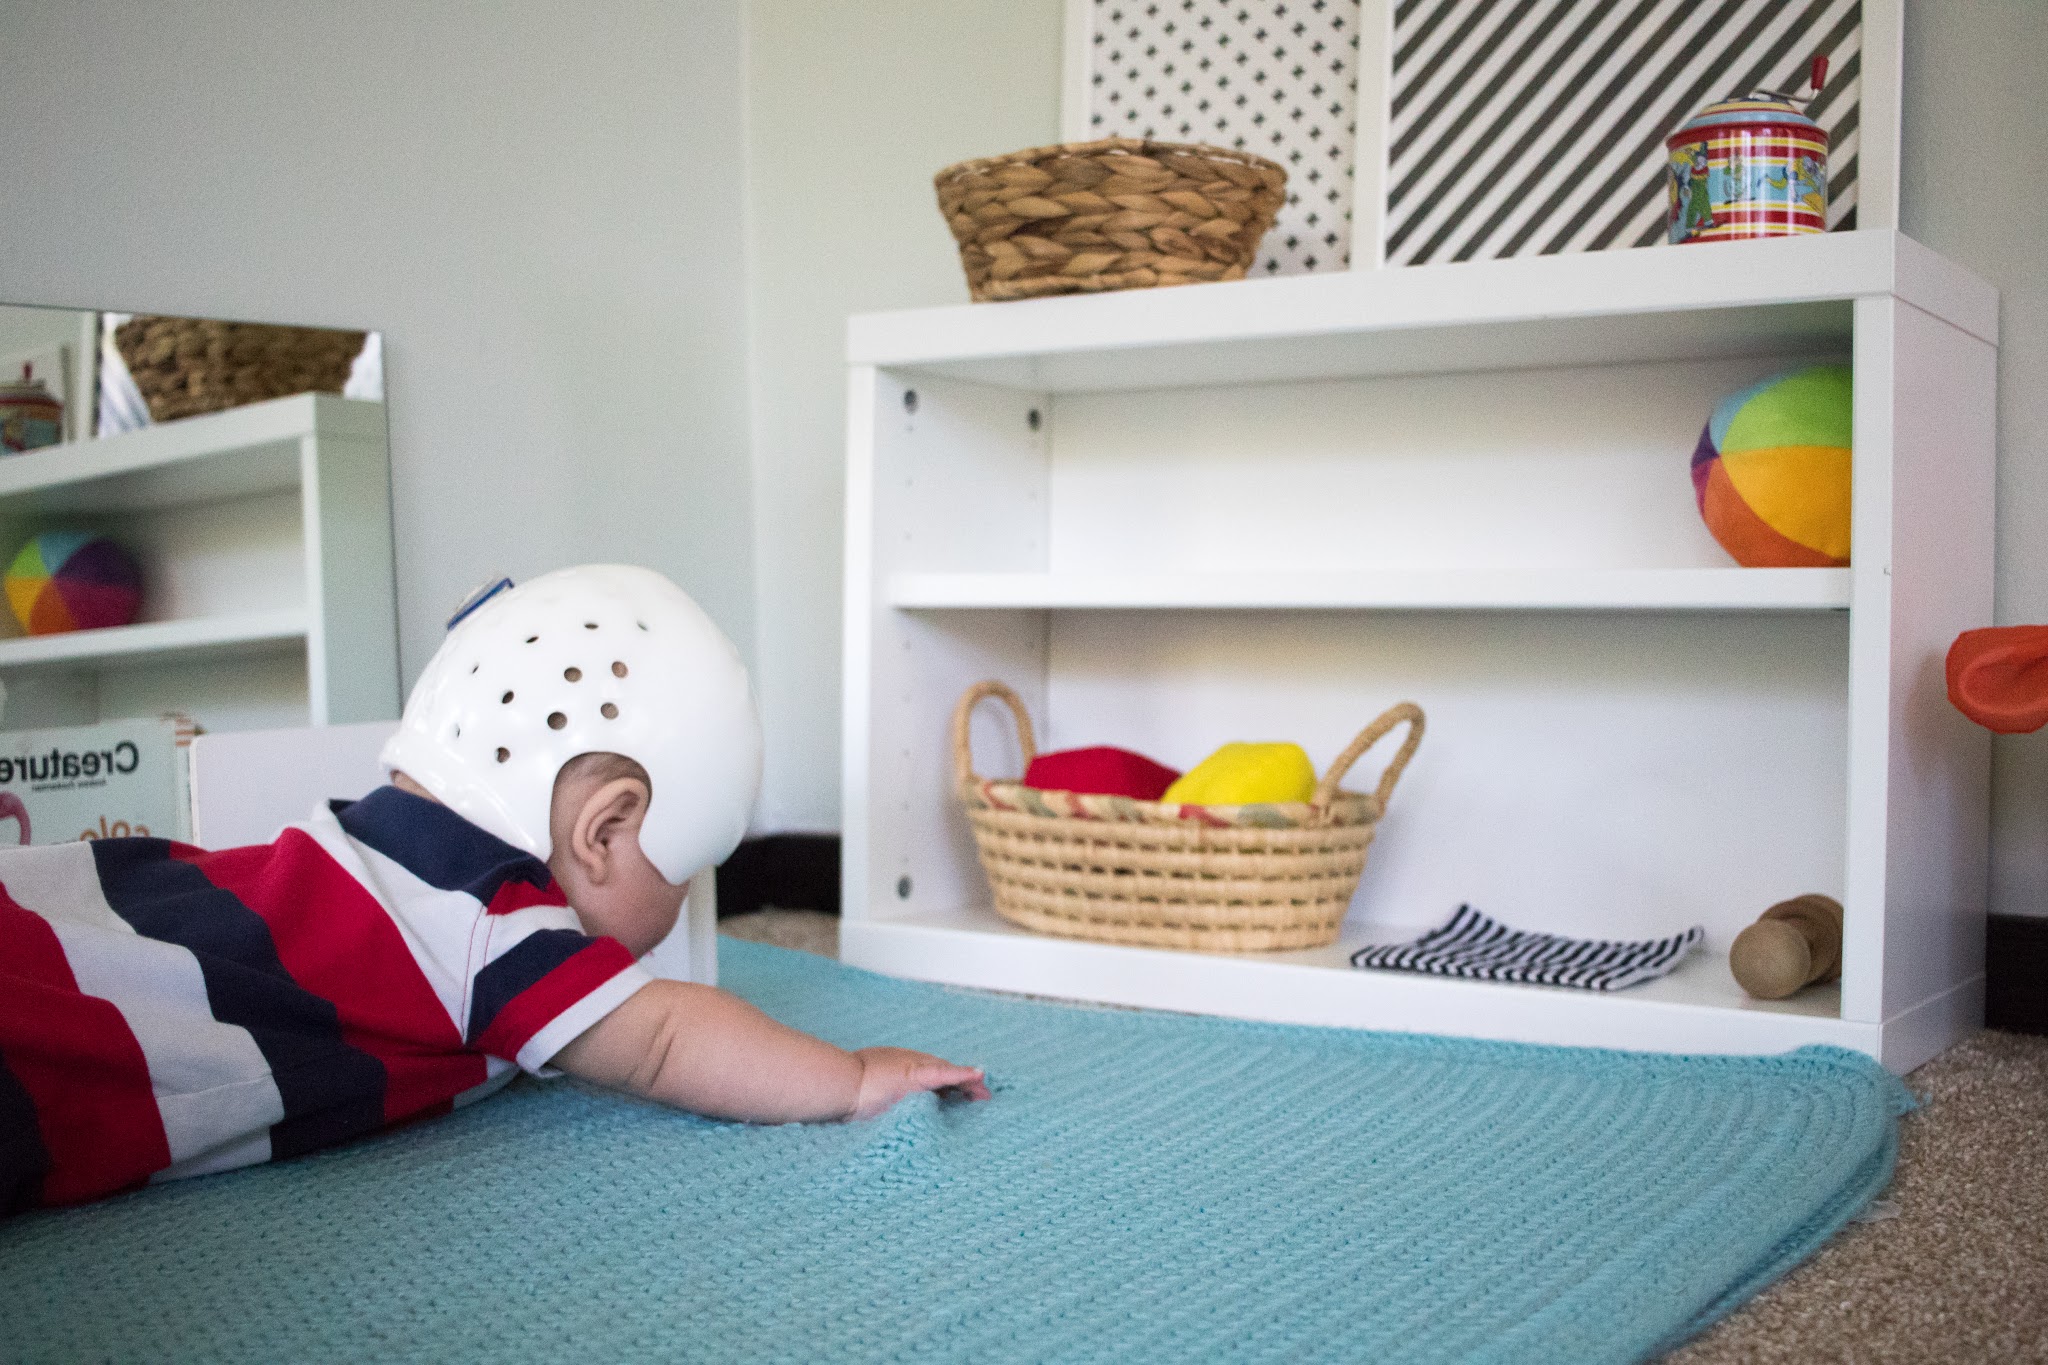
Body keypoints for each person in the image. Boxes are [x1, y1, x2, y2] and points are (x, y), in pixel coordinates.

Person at [0, 566, 987, 1214]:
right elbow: (662, 1042)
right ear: (604, 832)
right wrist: (851, 1078)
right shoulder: (488, 912)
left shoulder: (374, 846)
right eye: (685, 870)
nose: (683, 904)